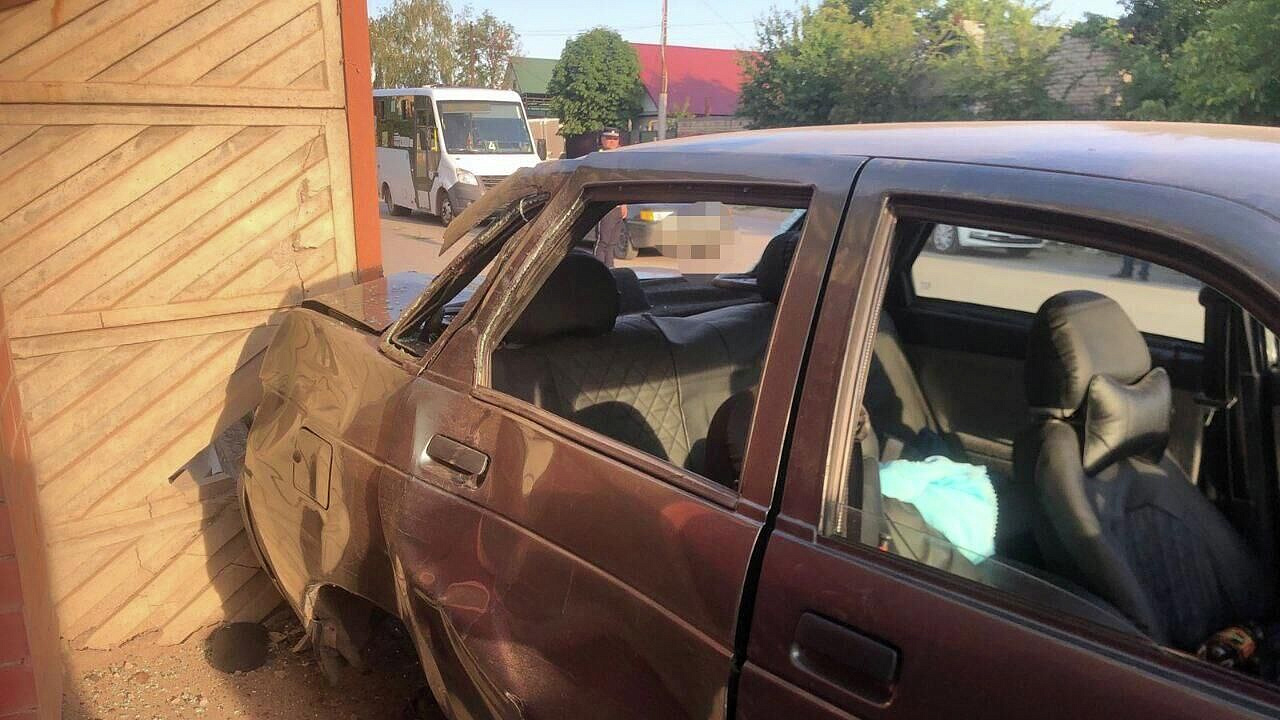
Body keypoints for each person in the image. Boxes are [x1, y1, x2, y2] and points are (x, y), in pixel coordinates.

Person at [593, 128, 628, 265]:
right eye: (608, 138)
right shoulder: (598, 158)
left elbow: (623, 182)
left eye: (615, 139)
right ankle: (598, 270)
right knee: (603, 242)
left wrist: (624, 204)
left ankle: (610, 270)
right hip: (605, 205)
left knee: (612, 243)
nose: (612, 142)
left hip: (618, 206)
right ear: (602, 139)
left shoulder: (621, 157)